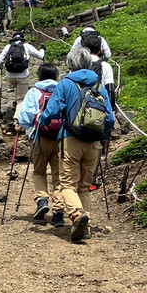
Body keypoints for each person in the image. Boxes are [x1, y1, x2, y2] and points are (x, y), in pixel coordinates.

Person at [38, 47, 115, 242]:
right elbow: (110, 118)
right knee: (84, 186)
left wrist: (41, 121)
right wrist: (101, 137)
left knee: (66, 185)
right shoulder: (100, 86)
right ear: (89, 63)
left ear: (70, 64)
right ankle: (86, 228)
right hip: (94, 143)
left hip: (70, 139)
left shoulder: (65, 83)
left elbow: (53, 111)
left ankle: (77, 215)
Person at [16, 63, 65, 226]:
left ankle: (42, 200)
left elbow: (25, 117)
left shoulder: (33, 92)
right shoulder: (63, 90)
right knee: (59, 176)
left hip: (40, 137)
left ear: (39, 76)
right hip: (61, 139)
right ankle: (58, 212)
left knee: (39, 172)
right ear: (56, 76)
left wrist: (26, 127)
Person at [0, 32, 45, 124]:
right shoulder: (26, 46)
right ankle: (17, 119)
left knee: (18, 91)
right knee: (22, 98)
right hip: (22, 76)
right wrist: (42, 49)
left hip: (10, 76)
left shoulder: (8, 47)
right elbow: (40, 56)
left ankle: (15, 107)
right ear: (22, 39)